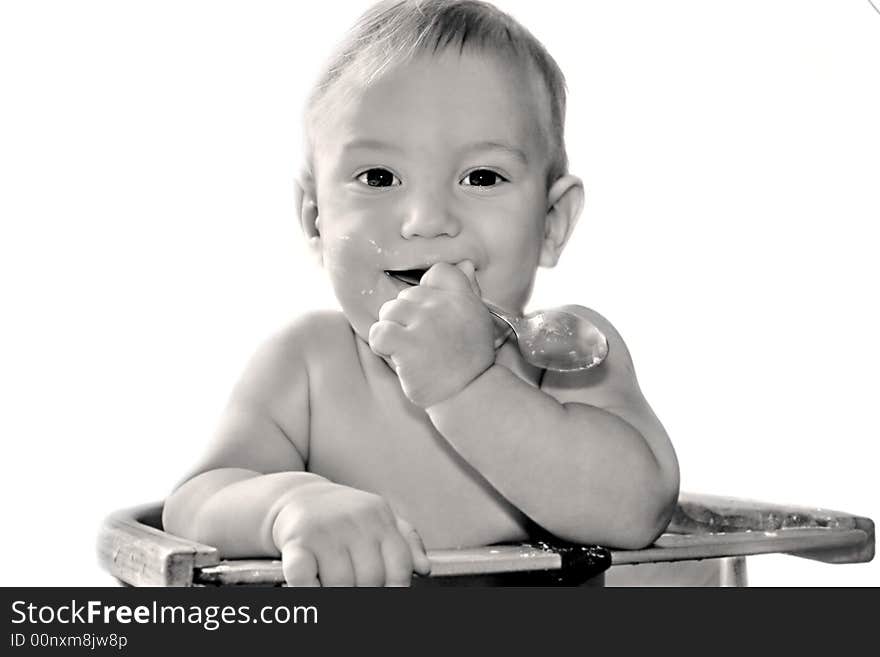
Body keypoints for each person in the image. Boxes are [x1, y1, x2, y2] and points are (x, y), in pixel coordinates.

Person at [162, 0, 679, 587]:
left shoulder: (562, 355)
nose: (426, 219)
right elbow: (195, 504)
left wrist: (467, 387)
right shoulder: (306, 366)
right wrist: (288, 504)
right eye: (378, 177)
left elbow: (639, 508)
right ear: (315, 219)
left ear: (552, 222)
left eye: (482, 177)